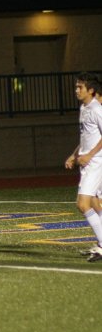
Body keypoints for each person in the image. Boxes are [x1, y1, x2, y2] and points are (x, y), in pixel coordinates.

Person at [64, 72, 102, 262]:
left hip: (96, 163)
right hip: (88, 161)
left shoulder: (97, 109)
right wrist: (75, 154)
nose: (77, 90)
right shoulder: (83, 108)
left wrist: (89, 155)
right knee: (96, 204)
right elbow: (86, 137)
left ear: (91, 90)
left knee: (83, 204)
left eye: (80, 87)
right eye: (76, 86)